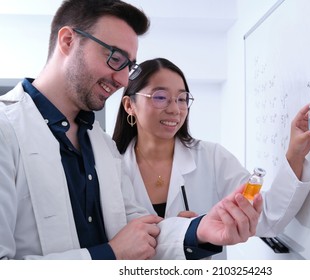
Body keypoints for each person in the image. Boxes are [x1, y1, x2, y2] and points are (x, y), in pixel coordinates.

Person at [0, 0, 262, 260]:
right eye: (115, 58)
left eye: (129, 66)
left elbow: (135, 227)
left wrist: (200, 230)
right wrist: (110, 255)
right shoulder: (6, 129)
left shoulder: (101, 144)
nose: (124, 79)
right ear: (68, 40)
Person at [112, 57, 310, 259]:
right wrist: (186, 232)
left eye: (182, 99)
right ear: (130, 105)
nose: (175, 109)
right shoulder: (110, 167)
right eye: (160, 97)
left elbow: (267, 216)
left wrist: (295, 153)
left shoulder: (212, 158)